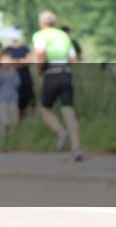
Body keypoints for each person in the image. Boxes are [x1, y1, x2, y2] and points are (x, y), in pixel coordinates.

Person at [31, 10, 83, 161]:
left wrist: (40, 70)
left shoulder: (40, 35)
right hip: (66, 74)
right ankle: (77, 147)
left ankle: (60, 131)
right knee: (69, 111)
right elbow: (72, 59)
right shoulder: (64, 35)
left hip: (51, 74)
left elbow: (41, 55)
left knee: (45, 109)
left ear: (41, 23)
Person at [0, 54, 21, 147]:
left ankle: (13, 142)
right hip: (1, 100)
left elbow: (18, 84)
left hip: (13, 99)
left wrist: (12, 76)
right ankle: (2, 142)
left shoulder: (14, 71)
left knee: (13, 121)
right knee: (3, 121)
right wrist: (1, 76)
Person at [5, 32, 36, 120]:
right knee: (17, 104)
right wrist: (22, 61)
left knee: (30, 100)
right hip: (12, 81)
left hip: (26, 79)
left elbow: (30, 61)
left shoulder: (25, 48)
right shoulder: (7, 50)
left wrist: (16, 62)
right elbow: (8, 62)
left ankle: (32, 120)